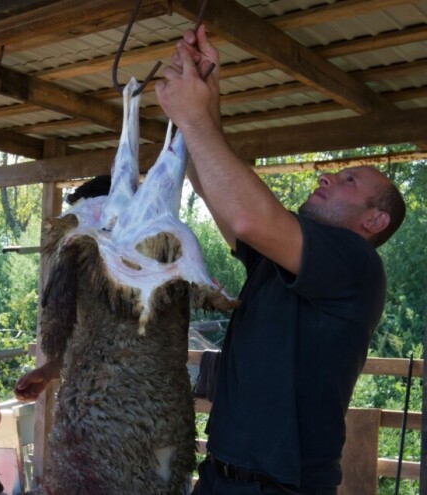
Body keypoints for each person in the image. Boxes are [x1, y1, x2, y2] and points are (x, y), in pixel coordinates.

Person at [152, 26, 406, 494]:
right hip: (220, 475)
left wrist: (194, 118)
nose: (329, 175)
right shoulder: (283, 259)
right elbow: (223, 197)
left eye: (349, 180)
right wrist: (206, 102)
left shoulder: (356, 264)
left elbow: (249, 218)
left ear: (373, 221)